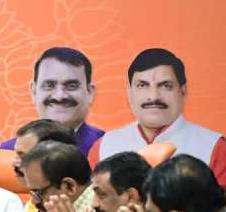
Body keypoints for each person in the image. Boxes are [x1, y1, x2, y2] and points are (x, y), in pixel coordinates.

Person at [89, 48, 226, 187]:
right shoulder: (104, 147)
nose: (153, 96)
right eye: (142, 85)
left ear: (183, 91)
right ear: (129, 92)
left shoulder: (214, 147)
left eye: (166, 86)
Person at [0, 47, 104, 156]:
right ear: (33, 91)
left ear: (90, 92)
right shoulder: (7, 152)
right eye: (49, 85)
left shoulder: (107, 149)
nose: (59, 96)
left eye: (71, 86)